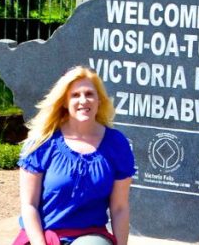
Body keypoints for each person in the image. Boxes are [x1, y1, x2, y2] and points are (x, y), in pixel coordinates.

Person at [14, 66, 135, 245]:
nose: (83, 100)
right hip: (43, 235)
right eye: (75, 95)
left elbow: (119, 208)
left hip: (89, 236)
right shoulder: (42, 143)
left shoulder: (116, 144)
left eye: (89, 94)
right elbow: (29, 205)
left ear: (99, 100)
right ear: (64, 102)